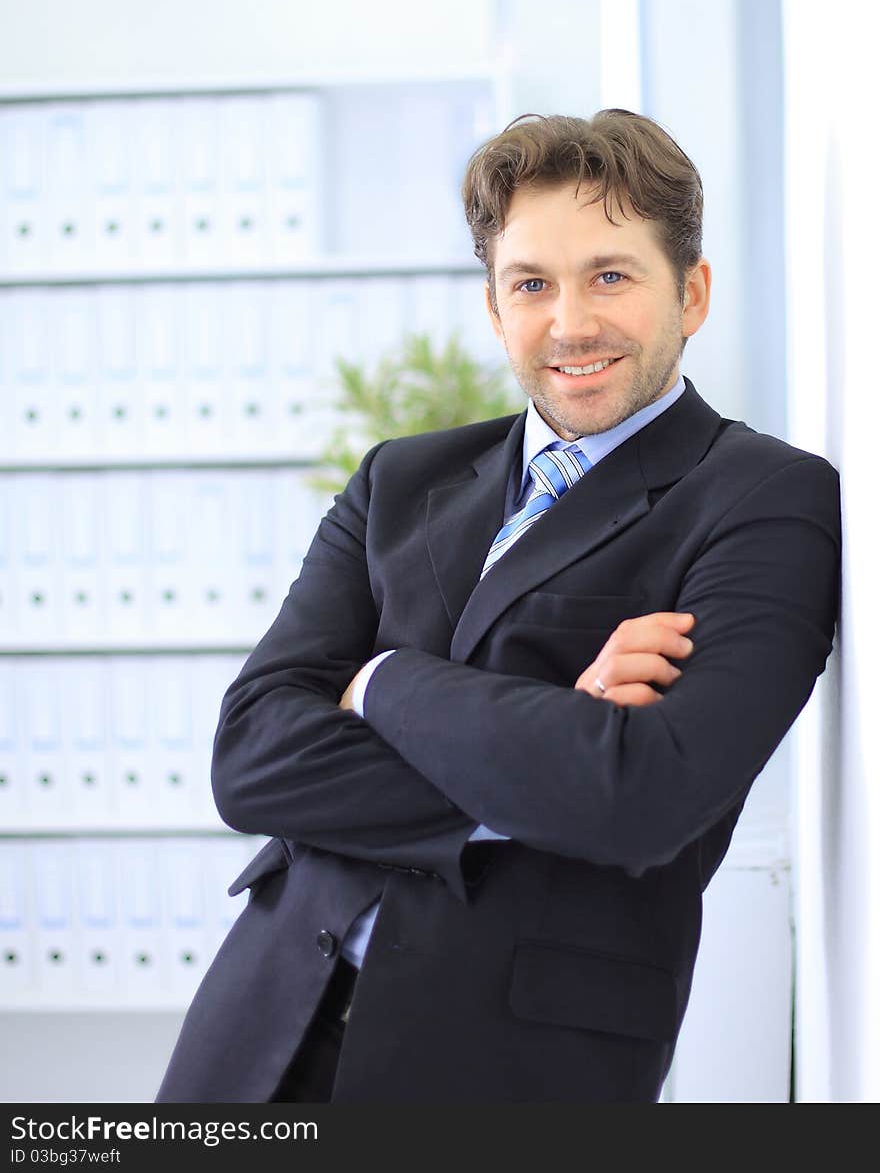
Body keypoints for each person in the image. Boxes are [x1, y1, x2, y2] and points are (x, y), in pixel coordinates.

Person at [156, 110, 840, 1103]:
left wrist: (380, 681)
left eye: (610, 274)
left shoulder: (761, 498)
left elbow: (640, 797)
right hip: (263, 1019)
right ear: (493, 306)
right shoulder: (401, 479)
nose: (570, 322)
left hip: (506, 1060)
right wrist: (553, 729)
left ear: (689, 292)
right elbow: (251, 753)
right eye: (531, 284)